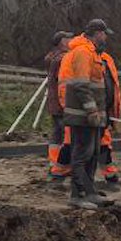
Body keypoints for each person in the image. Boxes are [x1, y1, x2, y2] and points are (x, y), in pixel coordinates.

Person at [57, 18, 114, 210]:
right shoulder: (82, 52)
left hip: (92, 115)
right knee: (82, 154)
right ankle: (78, 195)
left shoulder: (93, 53)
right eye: (104, 33)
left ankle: (89, 193)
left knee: (93, 154)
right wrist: (91, 110)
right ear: (98, 33)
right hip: (83, 115)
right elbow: (81, 85)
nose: (106, 37)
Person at [44, 31, 73, 184]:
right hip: (62, 103)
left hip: (54, 103)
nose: (71, 40)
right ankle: (62, 166)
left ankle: (54, 163)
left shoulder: (51, 57)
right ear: (62, 41)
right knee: (65, 135)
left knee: (56, 134)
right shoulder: (63, 59)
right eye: (68, 38)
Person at [99, 47, 121, 190]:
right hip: (90, 112)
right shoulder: (82, 57)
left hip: (103, 111)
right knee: (78, 147)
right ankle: (59, 176)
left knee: (103, 145)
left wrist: (113, 114)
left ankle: (110, 177)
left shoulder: (106, 59)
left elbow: (112, 88)